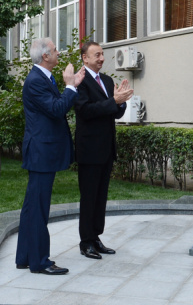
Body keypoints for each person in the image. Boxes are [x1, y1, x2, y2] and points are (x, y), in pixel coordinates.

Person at [15, 38, 85, 275]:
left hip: (43, 151)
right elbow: (57, 109)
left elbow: (54, 105)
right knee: (38, 209)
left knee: (32, 207)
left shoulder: (43, 77)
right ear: (45, 56)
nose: (58, 53)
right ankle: (40, 262)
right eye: (55, 50)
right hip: (41, 152)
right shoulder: (36, 80)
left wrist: (71, 85)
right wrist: (71, 86)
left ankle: (25, 256)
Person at [74, 41, 133, 259]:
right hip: (89, 150)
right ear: (85, 58)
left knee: (101, 198)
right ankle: (85, 242)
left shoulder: (107, 80)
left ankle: (96, 237)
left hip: (106, 150)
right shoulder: (80, 82)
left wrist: (121, 101)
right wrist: (113, 101)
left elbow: (115, 113)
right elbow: (85, 111)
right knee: (89, 197)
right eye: (96, 55)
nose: (101, 58)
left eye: (102, 54)